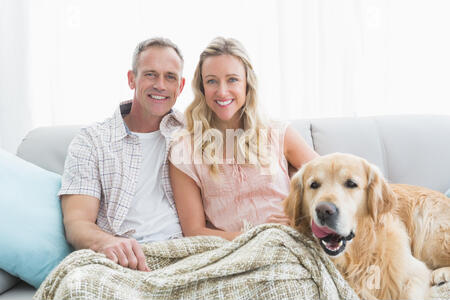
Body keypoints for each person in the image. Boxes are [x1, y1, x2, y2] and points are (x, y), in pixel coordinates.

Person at [169, 37, 318, 241]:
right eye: (211, 81)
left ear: (247, 83)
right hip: (233, 250)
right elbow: (194, 231)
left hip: (289, 241)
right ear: (202, 88)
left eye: (232, 79)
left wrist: (299, 216)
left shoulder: (277, 133)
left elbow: (331, 183)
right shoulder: (184, 150)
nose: (222, 92)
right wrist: (256, 236)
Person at [59, 37, 186, 272]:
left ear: (181, 86)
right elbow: (77, 222)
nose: (160, 84)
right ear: (131, 79)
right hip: (122, 260)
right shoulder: (91, 141)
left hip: (183, 254)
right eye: (150, 74)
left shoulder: (192, 134)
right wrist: (107, 242)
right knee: (76, 287)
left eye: (170, 77)